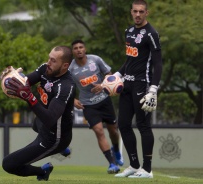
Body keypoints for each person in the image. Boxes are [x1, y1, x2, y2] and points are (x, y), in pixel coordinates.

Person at [0, 46, 76, 181]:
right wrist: (10, 79)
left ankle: (43, 170)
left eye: (53, 60)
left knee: (8, 164)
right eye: (49, 58)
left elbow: (50, 119)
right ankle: (52, 159)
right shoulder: (45, 69)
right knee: (36, 124)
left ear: (65, 66)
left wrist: (29, 97)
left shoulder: (65, 86)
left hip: (55, 137)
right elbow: (24, 84)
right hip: (43, 125)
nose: (48, 62)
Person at [114, 0, 162, 179]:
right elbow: (129, 61)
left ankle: (147, 169)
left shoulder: (152, 34)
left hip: (143, 84)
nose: (138, 14)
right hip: (127, 84)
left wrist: (154, 89)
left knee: (143, 125)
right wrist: (117, 75)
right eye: (135, 11)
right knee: (124, 124)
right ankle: (134, 165)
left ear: (147, 13)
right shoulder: (129, 31)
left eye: (141, 11)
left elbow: (158, 63)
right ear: (131, 12)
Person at [69, 39, 123, 174]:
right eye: (75, 48)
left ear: (85, 49)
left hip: (104, 100)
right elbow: (66, 86)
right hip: (88, 104)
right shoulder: (70, 69)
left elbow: (109, 75)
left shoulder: (96, 60)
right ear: (73, 52)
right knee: (99, 131)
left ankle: (116, 149)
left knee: (113, 131)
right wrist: (73, 100)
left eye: (81, 47)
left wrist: (103, 85)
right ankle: (112, 164)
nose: (79, 50)